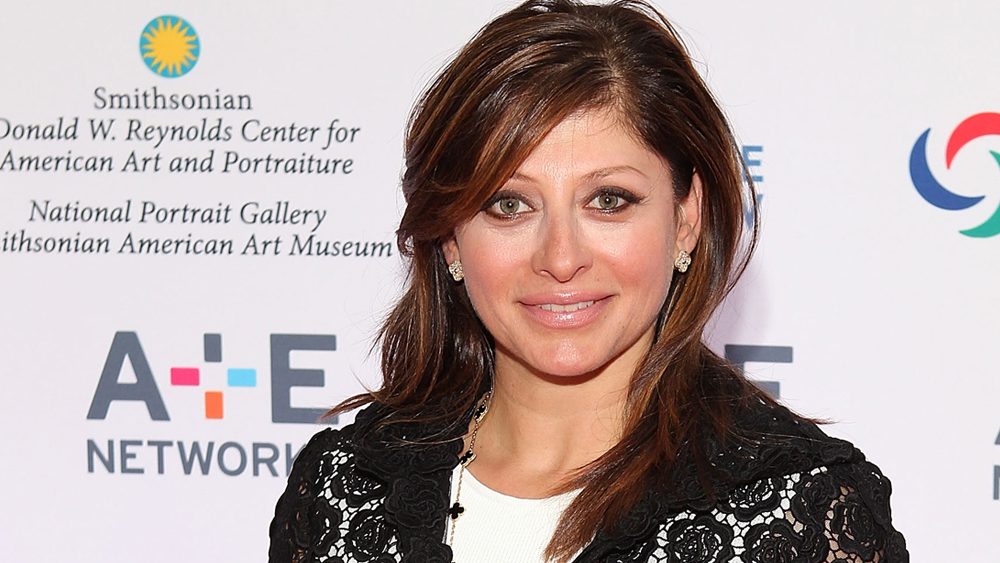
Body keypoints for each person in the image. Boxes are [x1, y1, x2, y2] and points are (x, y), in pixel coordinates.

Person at [268, 1, 908, 562]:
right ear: (450, 238)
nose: (561, 257)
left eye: (608, 200)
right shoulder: (344, 489)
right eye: (509, 205)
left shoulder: (800, 511)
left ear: (685, 220)